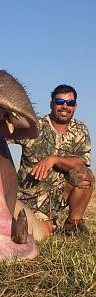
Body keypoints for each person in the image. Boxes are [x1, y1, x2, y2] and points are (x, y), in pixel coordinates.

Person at [10, 84, 94, 238]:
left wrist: (53, 160)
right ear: (51, 103)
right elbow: (1, 135)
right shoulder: (34, 125)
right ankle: (35, 224)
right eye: (59, 101)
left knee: (85, 175)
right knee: (41, 233)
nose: (64, 106)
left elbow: (81, 163)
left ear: (74, 106)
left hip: (60, 193)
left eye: (69, 103)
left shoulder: (80, 129)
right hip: (29, 195)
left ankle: (73, 224)